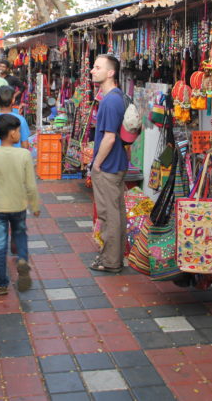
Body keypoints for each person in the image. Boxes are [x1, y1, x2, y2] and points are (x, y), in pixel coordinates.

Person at [0, 114, 40, 294]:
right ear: (12, 133)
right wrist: (35, 206)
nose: (20, 134)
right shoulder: (24, 155)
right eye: (19, 130)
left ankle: (2, 283)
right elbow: (31, 184)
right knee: (20, 235)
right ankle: (22, 259)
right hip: (18, 205)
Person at [88, 54, 128, 273]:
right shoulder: (117, 97)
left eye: (97, 67)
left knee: (109, 215)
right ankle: (114, 257)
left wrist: (96, 164)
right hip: (117, 163)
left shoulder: (110, 101)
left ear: (110, 73)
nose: (93, 70)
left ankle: (111, 261)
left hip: (108, 167)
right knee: (116, 213)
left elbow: (110, 137)